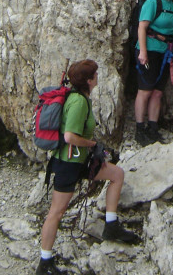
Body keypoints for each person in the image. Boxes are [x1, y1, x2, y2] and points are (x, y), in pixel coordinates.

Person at [36, 59, 140, 275]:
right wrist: (93, 144)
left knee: (116, 174)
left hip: (80, 161)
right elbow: (70, 136)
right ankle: (44, 263)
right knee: (56, 212)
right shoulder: (79, 102)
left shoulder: (80, 98)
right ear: (89, 80)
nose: (98, 76)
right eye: (95, 74)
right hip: (68, 163)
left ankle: (111, 225)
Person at [134, 0, 173, 146]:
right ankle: (140, 129)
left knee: (157, 92)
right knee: (145, 90)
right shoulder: (153, 2)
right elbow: (142, 27)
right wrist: (143, 52)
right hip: (149, 50)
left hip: (165, 51)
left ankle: (153, 128)